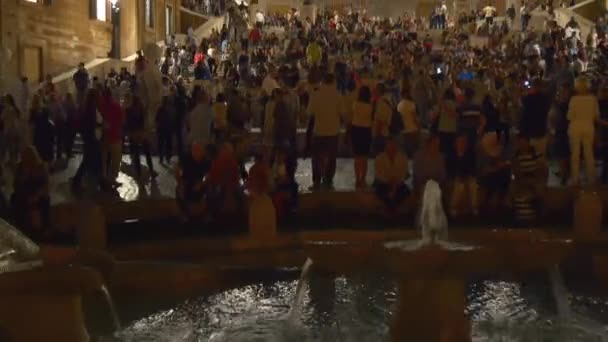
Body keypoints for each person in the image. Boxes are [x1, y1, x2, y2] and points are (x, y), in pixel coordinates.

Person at [307, 73, 341, 190]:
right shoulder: (337, 95)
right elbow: (343, 114)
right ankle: (328, 180)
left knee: (316, 157)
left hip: (319, 131)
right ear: (333, 81)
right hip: (333, 131)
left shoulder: (316, 94)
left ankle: (316, 181)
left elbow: (309, 112)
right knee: (332, 157)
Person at [11, 146, 50, 238]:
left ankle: (44, 228)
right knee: (15, 199)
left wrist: (37, 196)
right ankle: (20, 226)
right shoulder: (20, 167)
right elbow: (16, 185)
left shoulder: (41, 167)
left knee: (44, 201)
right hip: (24, 193)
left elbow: (45, 185)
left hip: (38, 194)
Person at [568, 77, 601, 185]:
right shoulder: (593, 99)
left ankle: (575, 179)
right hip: (588, 127)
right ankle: (592, 178)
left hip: (575, 127)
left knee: (575, 155)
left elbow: (569, 116)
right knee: (589, 154)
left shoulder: (574, 99)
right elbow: (596, 116)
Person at [175, 142, 211, 221]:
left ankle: (206, 212)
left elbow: (208, 175)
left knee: (211, 189)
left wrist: (202, 183)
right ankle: (184, 213)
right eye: (194, 150)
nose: (196, 153)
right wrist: (180, 182)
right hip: (186, 181)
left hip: (199, 181)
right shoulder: (185, 158)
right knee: (179, 191)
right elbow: (178, 170)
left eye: (199, 150)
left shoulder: (206, 160)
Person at [373, 138, 410, 213]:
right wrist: (388, 181)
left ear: (397, 147)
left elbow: (405, 173)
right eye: (390, 146)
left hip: (398, 183)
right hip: (383, 183)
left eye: (394, 146)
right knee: (380, 191)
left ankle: (389, 210)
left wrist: (396, 183)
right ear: (386, 147)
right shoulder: (379, 157)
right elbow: (377, 174)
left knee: (406, 191)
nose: (392, 148)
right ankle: (393, 210)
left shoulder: (403, 157)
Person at [478, 132, 511, 214]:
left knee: (504, 178)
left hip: (499, 177)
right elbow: (483, 171)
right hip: (488, 178)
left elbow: (509, 163)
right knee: (494, 182)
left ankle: (500, 204)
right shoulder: (484, 154)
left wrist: (502, 165)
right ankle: (489, 206)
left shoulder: (503, 152)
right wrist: (495, 168)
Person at [125, 94, 157, 179]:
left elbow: (128, 123)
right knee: (145, 153)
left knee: (137, 154)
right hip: (140, 133)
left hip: (135, 133)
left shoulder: (130, 110)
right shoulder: (140, 110)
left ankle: (139, 173)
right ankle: (149, 170)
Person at [519, 78, 550, 163]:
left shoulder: (528, 99)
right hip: (541, 131)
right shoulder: (545, 99)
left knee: (530, 158)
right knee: (541, 158)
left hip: (530, 132)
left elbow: (524, 116)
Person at [99, 88, 125, 186]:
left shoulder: (100, 107)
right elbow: (122, 120)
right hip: (115, 136)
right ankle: (112, 179)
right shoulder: (116, 106)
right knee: (116, 160)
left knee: (104, 160)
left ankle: (104, 178)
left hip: (104, 136)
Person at [449, 135, 478, 217]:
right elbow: (449, 169)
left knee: (473, 184)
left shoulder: (470, 155)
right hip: (455, 177)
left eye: (464, 142)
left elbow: (472, 168)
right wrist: (457, 176)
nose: (462, 144)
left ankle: (474, 208)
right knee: (459, 186)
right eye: (460, 142)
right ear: (455, 143)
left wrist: (467, 176)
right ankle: (453, 208)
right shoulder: (451, 155)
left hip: (467, 176)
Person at [350, 85, 373, 189]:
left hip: (356, 130)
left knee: (357, 157)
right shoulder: (370, 106)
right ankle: (363, 179)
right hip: (366, 131)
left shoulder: (355, 104)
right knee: (364, 157)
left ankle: (357, 179)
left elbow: (352, 116)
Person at [398, 86, 419, 158]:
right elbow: (414, 117)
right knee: (413, 149)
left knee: (406, 149)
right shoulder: (411, 104)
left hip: (403, 129)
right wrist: (418, 126)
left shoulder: (399, 105)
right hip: (412, 129)